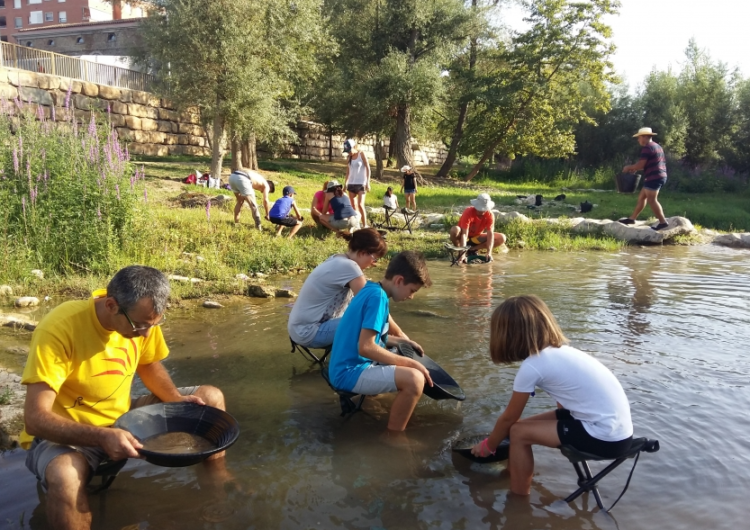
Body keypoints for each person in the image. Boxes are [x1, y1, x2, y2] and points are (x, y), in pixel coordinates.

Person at [20, 266, 228, 530]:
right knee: (65, 476)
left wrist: (175, 399)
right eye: (140, 325)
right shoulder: (61, 329)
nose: (145, 333)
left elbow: (149, 364)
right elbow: (35, 420)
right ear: (111, 305)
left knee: (210, 397)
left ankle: (217, 484)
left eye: (154, 324)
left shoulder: (144, 320)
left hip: (124, 417)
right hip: (69, 433)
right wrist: (101, 436)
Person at [471, 295, 633, 496]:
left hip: (604, 437)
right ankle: (512, 473)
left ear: (508, 335)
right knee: (516, 428)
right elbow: (564, 405)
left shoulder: (532, 366)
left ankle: (518, 500)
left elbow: (509, 417)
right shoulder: (562, 352)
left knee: (517, 433)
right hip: (619, 433)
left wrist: (488, 446)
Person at [328, 251, 433, 432]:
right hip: (348, 372)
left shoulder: (371, 289)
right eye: (412, 290)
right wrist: (412, 365)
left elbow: (369, 338)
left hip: (344, 365)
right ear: (399, 280)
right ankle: (394, 436)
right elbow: (366, 347)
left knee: (399, 352)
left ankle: (373, 401)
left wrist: (402, 341)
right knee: (414, 380)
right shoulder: (378, 299)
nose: (411, 296)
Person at [288, 228, 418, 351]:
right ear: (362, 253)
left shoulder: (338, 259)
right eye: (374, 259)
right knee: (370, 316)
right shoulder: (349, 267)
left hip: (299, 328)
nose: (374, 263)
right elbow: (373, 304)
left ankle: (387, 343)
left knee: (364, 315)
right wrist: (400, 335)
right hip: (309, 331)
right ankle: (391, 345)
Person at [618, 127, 669, 231]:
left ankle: (663, 222)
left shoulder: (647, 147)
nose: (638, 140)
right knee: (642, 197)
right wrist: (636, 168)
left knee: (652, 199)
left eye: (639, 137)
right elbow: (647, 164)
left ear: (645, 137)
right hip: (658, 175)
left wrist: (628, 167)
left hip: (654, 177)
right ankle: (632, 219)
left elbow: (641, 164)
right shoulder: (657, 146)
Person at [449, 193, 507, 263]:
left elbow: (490, 234)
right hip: (463, 237)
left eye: (484, 209)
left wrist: (489, 252)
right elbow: (464, 234)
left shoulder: (490, 215)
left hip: (476, 238)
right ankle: (459, 251)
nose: (481, 212)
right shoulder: (468, 212)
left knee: (502, 237)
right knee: (454, 230)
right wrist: (462, 253)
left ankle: (473, 249)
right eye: (479, 209)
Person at [343, 139, 371, 228]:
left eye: (349, 151)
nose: (349, 153)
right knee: (353, 206)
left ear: (354, 147)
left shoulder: (361, 154)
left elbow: (368, 168)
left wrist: (368, 182)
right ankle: (356, 224)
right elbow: (348, 171)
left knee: (360, 205)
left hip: (361, 183)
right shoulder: (349, 157)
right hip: (351, 183)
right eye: (347, 151)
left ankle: (365, 224)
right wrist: (345, 183)